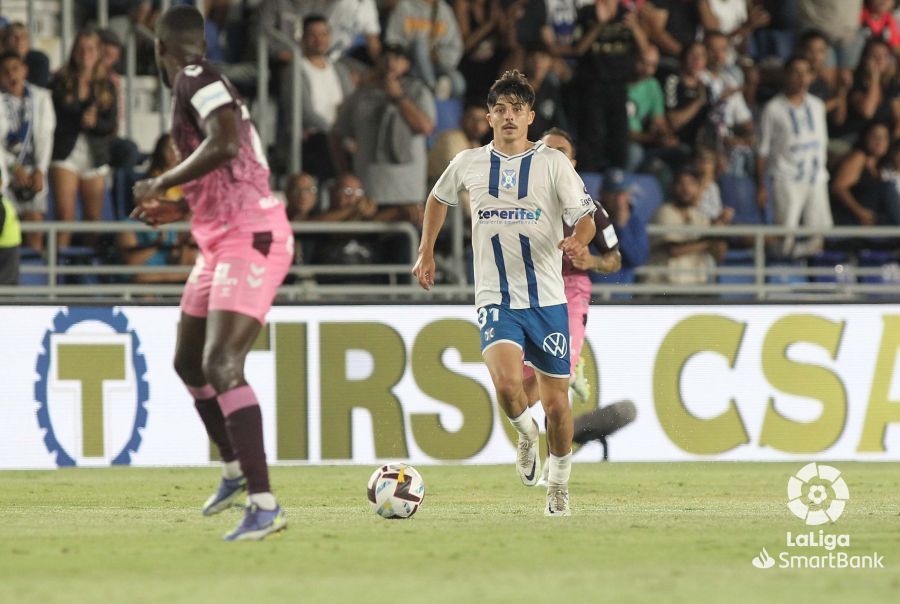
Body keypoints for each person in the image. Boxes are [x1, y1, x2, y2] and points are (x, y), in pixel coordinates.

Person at [131, 5, 292, 541]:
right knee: (189, 363)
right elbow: (232, 166)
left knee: (222, 362)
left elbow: (224, 142)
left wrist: (161, 183)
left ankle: (265, 502)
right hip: (220, 235)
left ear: (160, 49)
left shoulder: (195, 77)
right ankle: (233, 472)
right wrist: (178, 210)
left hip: (252, 236)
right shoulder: (200, 84)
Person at [413, 70, 598, 516]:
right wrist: (427, 251)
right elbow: (438, 199)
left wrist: (581, 240)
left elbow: (586, 216)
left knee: (556, 405)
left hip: (548, 300)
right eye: (500, 109)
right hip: (495, 296)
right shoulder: (468, 162)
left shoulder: (552, 163)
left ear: (530, 116)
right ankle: (525, 434)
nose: (509, 116)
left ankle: (558, 484)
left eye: (517, 109)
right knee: (507, 384)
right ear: (488, 117)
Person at [523, 127, 621, 485]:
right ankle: (532, 429)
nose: (554, 157)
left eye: (561, 151)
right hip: (530, 292)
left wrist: (591, 263)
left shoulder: (592, 209)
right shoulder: (523, 205)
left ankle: (554, 462)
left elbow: (614, 259)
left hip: (571, 292)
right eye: (546, 151)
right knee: (521, 389)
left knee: (549, 384)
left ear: (573, 162)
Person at [332, 44, 435, 227]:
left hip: (408, 190)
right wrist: (344, 171)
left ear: (407, 65)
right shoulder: (360, 95)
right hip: (369, 187)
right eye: (386, 58)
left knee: (406, 247)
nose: (390, 63)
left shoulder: (418, 91)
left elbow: (425, 127)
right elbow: (336, 134)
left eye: (397, 59)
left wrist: (398, 96)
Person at [756, 55, 831, 258]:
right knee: (785, 234)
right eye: (796, 73)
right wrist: (761, 185)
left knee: (819, 234)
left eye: (806, 72)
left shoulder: (817, 105)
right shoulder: (773, 108)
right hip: (786, 177)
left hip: (816, 177)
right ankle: (781, 272)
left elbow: (822, 143)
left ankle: (810, 277)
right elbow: (762, 150)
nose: (801, 78)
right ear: (786, 75)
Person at [49, 28, 118, 249]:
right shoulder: (60, 81)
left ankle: (86, 269)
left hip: (94, 155)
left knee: (92, 220)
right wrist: (81, 117)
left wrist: (95, 122)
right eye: (81, 48)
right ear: (74, 51)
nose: (85, 53)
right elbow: (55, 118)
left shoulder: (107, 85)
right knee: (65, 216)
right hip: (65, 152)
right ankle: (58, 271)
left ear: (98, 52)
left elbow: (110, 125)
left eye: (90, 48)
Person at [118, 134, 195, 283]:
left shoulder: (189, 180)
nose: (174, 153)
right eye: (169, 148)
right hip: (160, 225)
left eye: (177, 147)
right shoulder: (153, 180)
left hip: (177, 225)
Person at [0, 51, 55, 251]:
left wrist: (41, 169)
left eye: (15, 69)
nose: (11, 75)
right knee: (6, 227)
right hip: (6, 172)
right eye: (5, 72)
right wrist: (13, 166)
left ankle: (36, 276)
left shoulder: (40, 98)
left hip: (33, 171)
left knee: (35, 227)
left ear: (25, 71)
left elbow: (45, 137)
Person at [647, 167, 727, 285]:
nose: (686, 189)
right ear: (673, 187)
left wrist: (721, 229)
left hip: (696, 286)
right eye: (681, 184)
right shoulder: (663, 212)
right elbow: (674, 250)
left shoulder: (700, 216)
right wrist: (709, 242)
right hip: (665, 287)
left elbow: (719, 255)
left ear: (698, 188)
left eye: (691, 184)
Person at [300, 14, 355, 182]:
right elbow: (305, 113)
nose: (319, 40)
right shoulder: (296, 69)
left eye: (323, 34)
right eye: (313, 35)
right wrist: (336, 134)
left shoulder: (340, 69)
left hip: (341, 135)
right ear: (303, 38)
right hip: (315, 137)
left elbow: (352, 105)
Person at [830, 121, 892, 226]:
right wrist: (860, 212)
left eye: (884, 137)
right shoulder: (858, 157)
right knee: (888, 187)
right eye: (875, 136)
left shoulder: (881, 168)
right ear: (865, 137)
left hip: (872, 219)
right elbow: (838, 188)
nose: (880, 141)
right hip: (851, 219)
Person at [1, 22, 50, 89]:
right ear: (5, 41)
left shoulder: (39, 60)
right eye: (14, 37)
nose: (19, 41)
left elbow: (40, 88)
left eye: (24, 37)